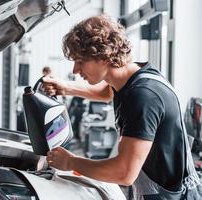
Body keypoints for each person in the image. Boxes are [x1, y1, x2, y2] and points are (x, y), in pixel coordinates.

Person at [43, 14, 201, 199]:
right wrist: (66, 88)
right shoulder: (133, 77)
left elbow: (124, 172)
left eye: (80, 61)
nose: (75, 70)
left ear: (103, 55)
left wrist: (71, 162)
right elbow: (107, 92)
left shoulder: (143, 96)